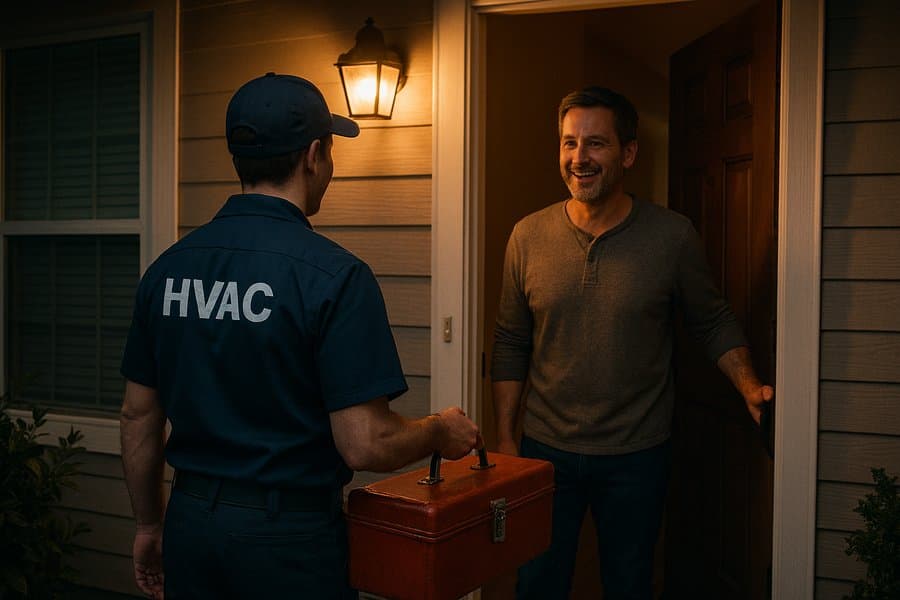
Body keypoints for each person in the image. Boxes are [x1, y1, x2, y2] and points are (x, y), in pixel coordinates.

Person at [119, 73, 480, 600]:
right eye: (330, 152)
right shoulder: (334, 276)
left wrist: (151, 524)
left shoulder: (168, 269)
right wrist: (439, 431)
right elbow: (365, 441)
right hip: (288, 542)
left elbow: (138, 415)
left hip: (192, 525)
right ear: (314, 156)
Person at [490, 86, 774, 600]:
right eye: (569, 143)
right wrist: (508, 441)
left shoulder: (672, 237)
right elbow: (511, 340)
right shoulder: (526, 237)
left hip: (637, 456)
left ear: (628, 153)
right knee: (536, 583)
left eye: (595, 144)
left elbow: (711, 322)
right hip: (544, 451)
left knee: (629, 584)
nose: (579, 158)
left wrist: (749, 385)